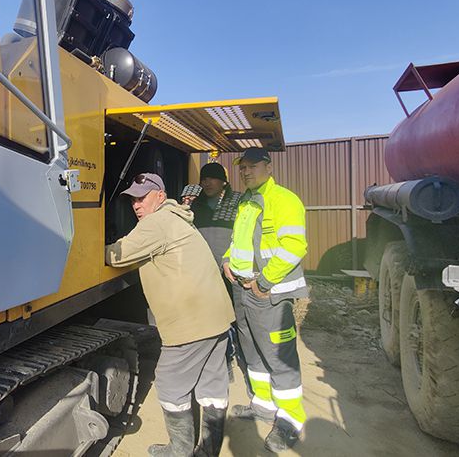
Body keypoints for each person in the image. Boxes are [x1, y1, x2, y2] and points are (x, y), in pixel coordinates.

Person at [106, 173, 234, 457]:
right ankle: (208, 451)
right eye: (133, 200)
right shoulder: (177, 217)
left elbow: (115, 255)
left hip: (191, 323)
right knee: (211, 384)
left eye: (143, 197)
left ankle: (180, 450)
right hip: (216, 317)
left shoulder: (157, 222)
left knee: (169, 382)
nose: (137, 205)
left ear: (161, 196)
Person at [221, 148, 308, 453]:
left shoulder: (284, 199)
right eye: (242, 167)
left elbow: (294, 245)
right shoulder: (246, 201)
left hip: (269, 293)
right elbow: (239, 240)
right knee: (252, 352)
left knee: (279, 357)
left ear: (268, 168)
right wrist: (228, 259)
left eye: (252, 166)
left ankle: (290, 420)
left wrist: (264, 281)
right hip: (243, 290)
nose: (245, 172)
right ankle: (263, 405)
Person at [181, 163, 245, 380]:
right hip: (203, 272)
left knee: (232, 316)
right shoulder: (194, 205)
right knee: (209, 319)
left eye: (212, 178)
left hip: (229, 271)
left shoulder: (237, 202)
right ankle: (220, 362)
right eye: (204, 179)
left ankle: (237, 355)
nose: (207, 183)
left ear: (223, 182)